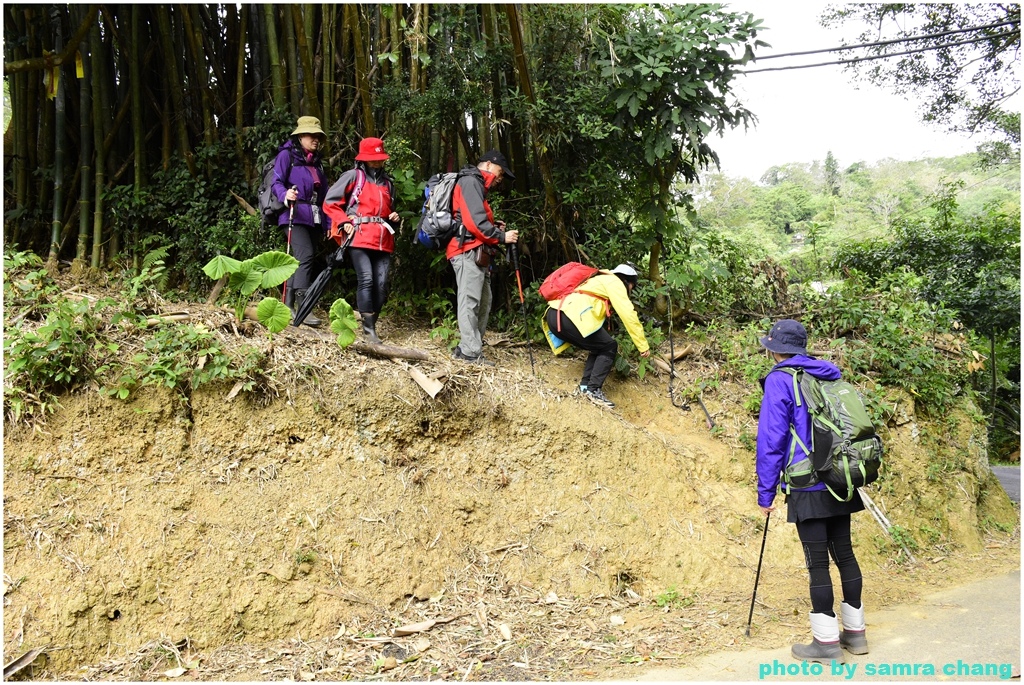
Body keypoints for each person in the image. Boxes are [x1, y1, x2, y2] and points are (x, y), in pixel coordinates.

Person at [755, 319, 868, 664]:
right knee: (845, 554)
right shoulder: (828, 374)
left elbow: (771, 439)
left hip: (807, 482)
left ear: (776, 350)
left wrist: (766, 491)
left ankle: (825, 642)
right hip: (841, 476)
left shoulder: (780, 379)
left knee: (817, 563)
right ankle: (856, 635)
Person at [323, 137, 401, 344]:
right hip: (358, 236)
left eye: (380, 158)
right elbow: (330, 203)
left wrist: (394, 217)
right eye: (373, 159)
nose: (377, 162)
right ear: (364, 159)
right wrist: (343, 222)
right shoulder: (352, 177)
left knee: (382, 284)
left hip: (383, 238)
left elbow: (388, 211)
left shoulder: (388, 183)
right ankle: (369, 330)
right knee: (366, 279)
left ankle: (372, 320)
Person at [446, 149, 519, 365]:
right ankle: (470, 352)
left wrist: (495, 227)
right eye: (500, 171)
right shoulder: (470, 182)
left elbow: (473, 219)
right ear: (488, 165)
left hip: (476, 251)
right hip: (465, 249)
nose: (500, 177)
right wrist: (501, 236)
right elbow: (475, 223)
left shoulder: (477, 186)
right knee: (470, 300)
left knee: (484, 300)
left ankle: (467, 348)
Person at [544, 263, 650, 409]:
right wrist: (642, 345)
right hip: (569, 316)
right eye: (632, 286)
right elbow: (628, 314)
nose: (631, 290)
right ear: (627, 281)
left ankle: (585, 388)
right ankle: (593, 390)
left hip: (554, 314)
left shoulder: (598, 279)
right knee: (609, 346)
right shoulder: (615, 282)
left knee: (600, 346)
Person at [272, 116, 331, 327]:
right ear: (300, 136)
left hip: (313, 217)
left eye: (318, 136)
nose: (315, 139)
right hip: (292, 214)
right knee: (304, 256)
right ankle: (303, 308)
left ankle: (288, 304)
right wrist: (286, 194)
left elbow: (325, 197)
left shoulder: (317, 163)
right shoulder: (286, 156)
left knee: (301, 259)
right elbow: (276, 182)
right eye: (311, 135)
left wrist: (329, 224)